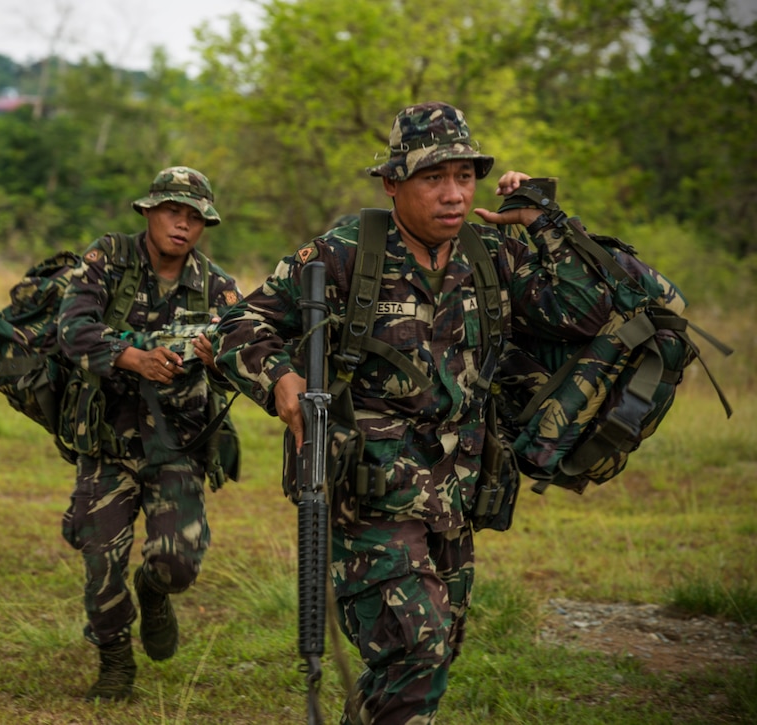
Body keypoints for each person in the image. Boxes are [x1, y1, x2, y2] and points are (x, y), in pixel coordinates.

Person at [212, 102, 616, 724]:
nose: (454, 195)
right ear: (393, 183)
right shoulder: (344, 253)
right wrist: (281, 380)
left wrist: (543, 220)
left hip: (456, 495)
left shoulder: (490, 254)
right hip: (367, 492)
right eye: (434, 178)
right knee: (416, 651)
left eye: (464, 176)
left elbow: (585, 312)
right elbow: (239, 323)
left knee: (429, 657)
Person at [57, 166, 242, 702]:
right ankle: (115, 663)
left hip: (177, 445)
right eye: (171, 212)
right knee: (101, 560)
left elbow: (250, 355)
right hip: (109, 440)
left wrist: (218, 360)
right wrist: (131, 357)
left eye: (193, 217)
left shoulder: (218, 286)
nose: (181, 226)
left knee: (178, 564)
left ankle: (155, 593)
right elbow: (71, 328)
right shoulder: (109, 258)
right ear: (148, 212)